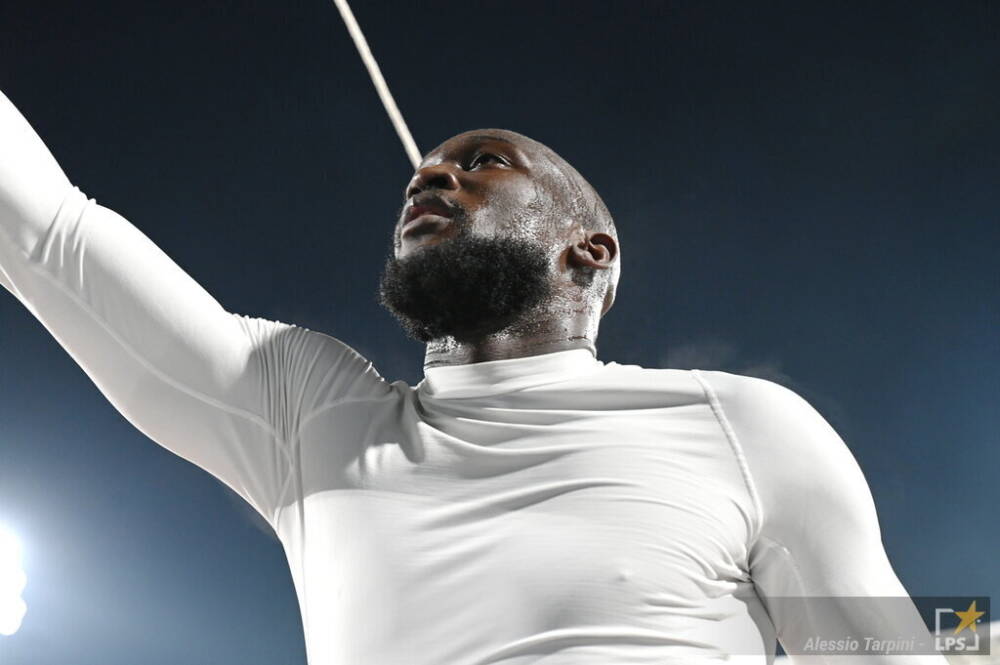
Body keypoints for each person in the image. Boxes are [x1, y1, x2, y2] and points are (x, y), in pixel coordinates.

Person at [0, 88, 946, 664]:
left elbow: (896, 649)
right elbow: (44, 232)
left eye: (481, 164)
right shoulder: (313, 416)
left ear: (590, 251)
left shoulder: (743, 424)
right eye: (421, 175)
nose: (428, 178)